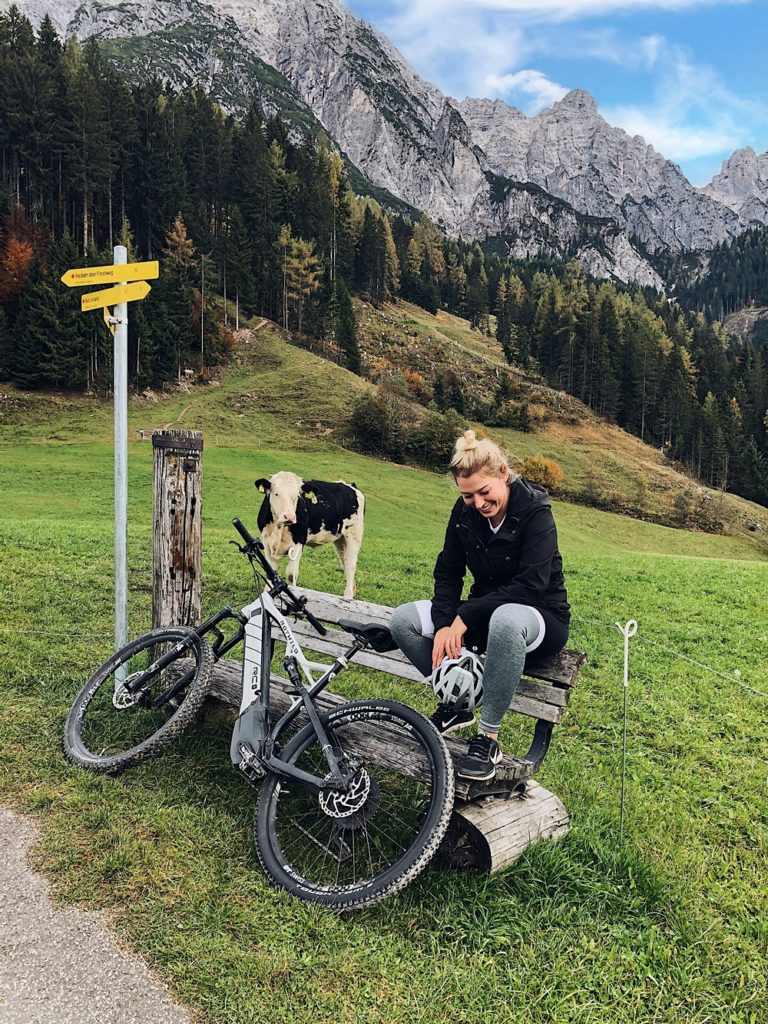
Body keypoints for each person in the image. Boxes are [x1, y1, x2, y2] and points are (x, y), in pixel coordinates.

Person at [390, 430, 570, 781]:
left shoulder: (535, 512)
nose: (477, 502)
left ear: (503, 473)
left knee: (504, 619)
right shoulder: (464, 513)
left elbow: (530, 587)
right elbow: (448, 570)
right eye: (468, 495)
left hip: (538, 616)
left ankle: (488, 737)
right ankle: (457, 705)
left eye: (484, 492)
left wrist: (465, 616)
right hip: (484, 613)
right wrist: (444, 622)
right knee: (403, 621)